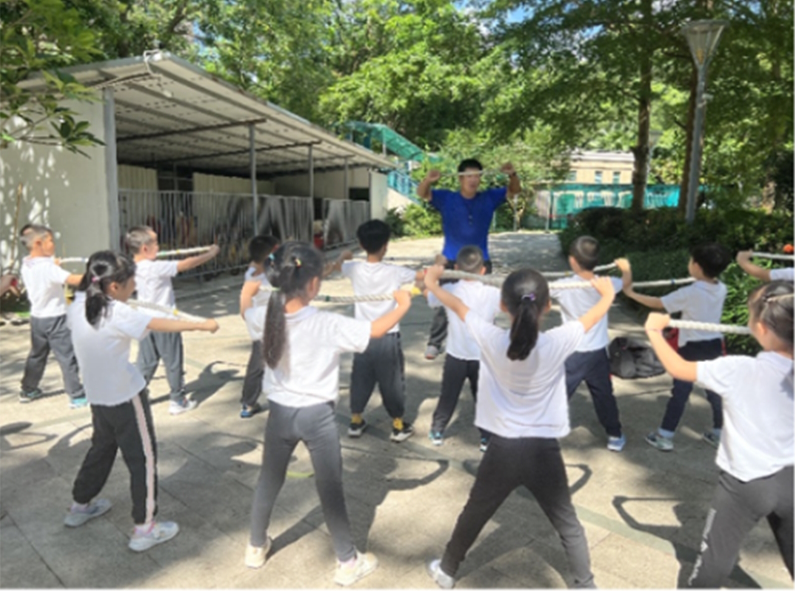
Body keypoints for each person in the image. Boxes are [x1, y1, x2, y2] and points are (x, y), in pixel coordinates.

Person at [423, 263, 616, 589]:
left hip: (503, 449)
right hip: (544, 449)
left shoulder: (491, 338)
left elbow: (457, 305)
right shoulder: (557, 340)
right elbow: (592, 317)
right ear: (548, 306)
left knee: (475, 512)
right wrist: (607, 294)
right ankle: (585, 585)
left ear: (502, 305)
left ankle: (447, 571)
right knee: (567, 523)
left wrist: (432, 281)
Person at [246, 242, 411, 586]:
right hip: (317, 418)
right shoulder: (326, 323)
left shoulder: (263, 315)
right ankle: (347, 562)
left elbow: (246, 308)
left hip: (280, 414)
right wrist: (403, 303)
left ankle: (255, 546)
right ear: (312, 284)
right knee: (330, 488)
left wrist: (250, 294)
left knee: (269, 479)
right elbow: (375, 330)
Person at [63, 251, 219, 551]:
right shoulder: (117, 312)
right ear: (113, 286)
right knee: (143, 459)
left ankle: (80, 504)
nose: (135, 286)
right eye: (131, 281)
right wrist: (202, 325)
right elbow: (159, 323)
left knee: (101, 448)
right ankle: (144, 528)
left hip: (98, 396)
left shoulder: (78, 304)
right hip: (125, 397)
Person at [643, 281, 793, 588]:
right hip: (791, 480)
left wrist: (654, 332)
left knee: (713, 563)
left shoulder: (738, 369)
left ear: (761, 328)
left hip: (745, 485)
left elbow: (680, 368)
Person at [621, 243, 731, 451]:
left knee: (680, 392)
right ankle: (719, 433)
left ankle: (665, 435)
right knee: (714, 391)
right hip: (714, 345)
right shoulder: (721, 288)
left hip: (691, 348)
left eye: (691, 260)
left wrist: (631, 293)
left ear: (696, 266)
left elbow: (658, 303)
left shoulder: (690, 292)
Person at [417, 159, 521, 360]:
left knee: (485, 304)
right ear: (460, 178)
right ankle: (435, 342)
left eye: (477, 176)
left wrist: (512, 174)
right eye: (469, 176)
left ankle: (486, 340)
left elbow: (514, 190)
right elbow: (423, 193)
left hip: (480, 261)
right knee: (444, 302)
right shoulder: (447, 198)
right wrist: (427, 180)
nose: (473, 180)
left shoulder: (489, 197)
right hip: (451, 260)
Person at [340, 220, 423, 442]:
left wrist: (344, 256)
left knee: (360, 377)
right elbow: (421, 277)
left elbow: (337, 266)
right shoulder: (395, 272)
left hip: (362, 335)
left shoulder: (353, 268)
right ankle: (398, 426)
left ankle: (356, 421)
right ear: (386, 245)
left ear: (361, 244)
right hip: (388, 335)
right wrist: (432, 273)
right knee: (391, 381)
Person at [125, 226, 219, 415]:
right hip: (165, 322)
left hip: (145, 322)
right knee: (173, 361)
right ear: (145, 248)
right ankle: (178, 400)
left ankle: (134, 395)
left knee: (146, 361)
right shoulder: (155, 267)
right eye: (155, 243)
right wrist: (210, 254)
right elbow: (186, 264)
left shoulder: (131, 268)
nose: (159, 247)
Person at [549, 236, 628, 452]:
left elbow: (534, 294)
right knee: (604, 396)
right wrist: (626, 269)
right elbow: (626, 283)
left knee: (559, 393)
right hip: (596, 354)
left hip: (572, 353)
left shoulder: (563, 285)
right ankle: (615, 435)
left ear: (572, 260)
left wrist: (526, 292)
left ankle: (544, 433)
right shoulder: (608, 284)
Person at [426, 245, 501, 451]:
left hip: (456, 356)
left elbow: (430, 298)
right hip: (482, 357)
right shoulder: (493, 292)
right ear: (483, 270)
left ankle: (437, 430)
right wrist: (530, 295)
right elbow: (520, 300)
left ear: (457, 268)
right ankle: (487, 437)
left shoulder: (450, 290)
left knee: (448, 395)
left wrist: (433, 274)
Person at [18, 225, 86, 407]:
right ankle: (76, 395)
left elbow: (45, 270)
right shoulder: (47, 268)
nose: (53, 244)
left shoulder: (27, 263)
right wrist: (96, 276)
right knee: (67, 357)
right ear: (38, 243)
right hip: (56, 319)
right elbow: (73, 280)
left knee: (37, 356)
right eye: (50, 241)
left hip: (37, 319)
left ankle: (28, 389)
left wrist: (52, 264)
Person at [238, 235, 280, 419]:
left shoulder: (251, 273)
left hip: (259, 325)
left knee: (257, 364)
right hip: (270, 323)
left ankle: (248, 403)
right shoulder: (267, 278)